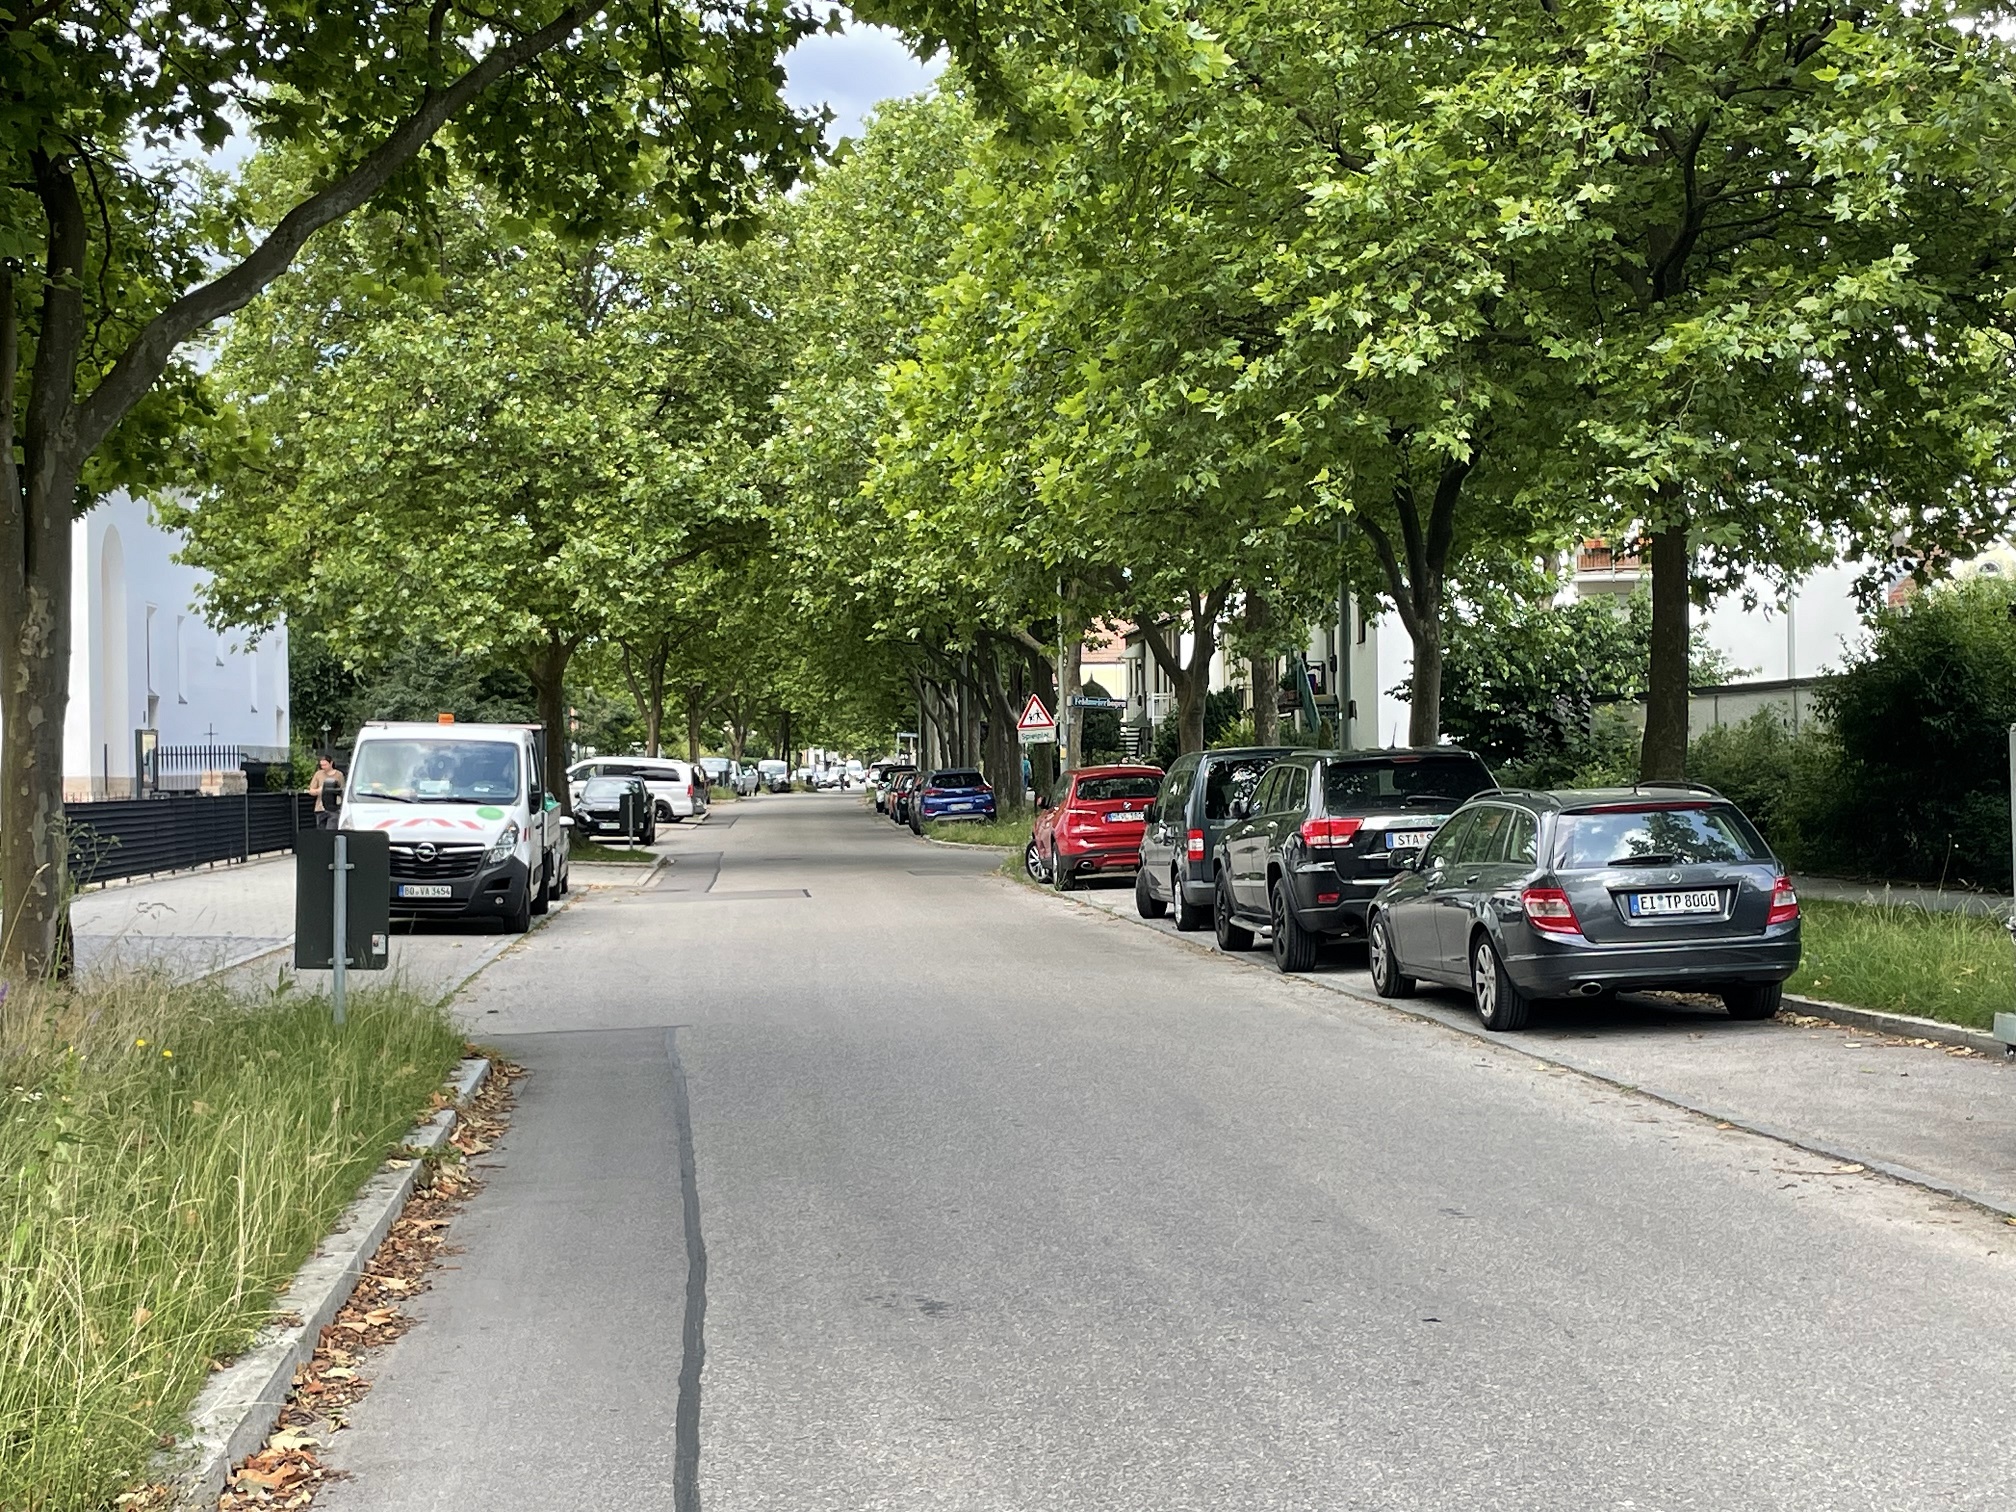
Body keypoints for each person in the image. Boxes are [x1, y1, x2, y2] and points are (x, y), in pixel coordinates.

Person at [309, 755, 343, 830]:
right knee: (321, 830)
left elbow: (342, 790)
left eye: (325, 765)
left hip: (334, 808)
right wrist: (319, 791)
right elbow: (311, 790)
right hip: (320, 808)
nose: (323, 767)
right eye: (321, 765)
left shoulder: (339, 775)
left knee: (331, 828)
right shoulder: (318, 774)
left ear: (331, 763)